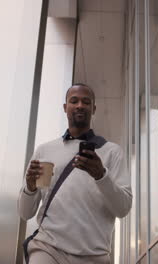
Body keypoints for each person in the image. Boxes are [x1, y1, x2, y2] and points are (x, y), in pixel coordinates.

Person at [18, 83, 132, 264]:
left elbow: (123, 208)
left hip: (94, 255)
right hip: (48, 248)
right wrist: (30, 187)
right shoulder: (45, 151)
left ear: (93, 109)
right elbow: (25, 213)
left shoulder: (112, 152)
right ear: (65, 108)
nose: (80, 105)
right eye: (74, 101)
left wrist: (101, 175)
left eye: (86, 102)